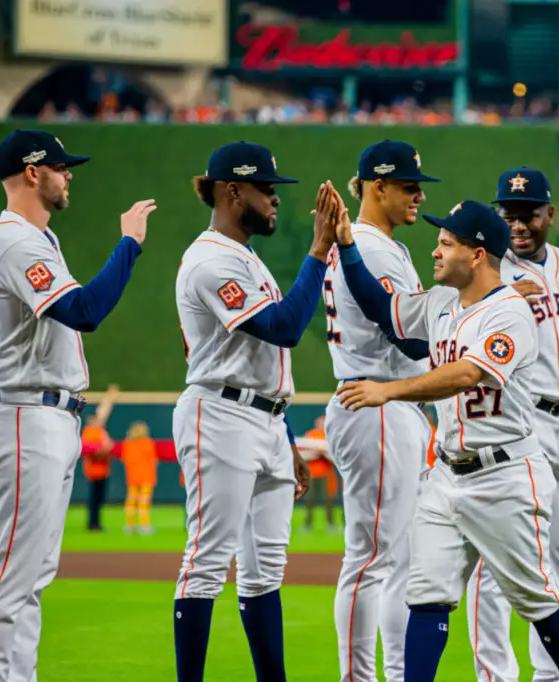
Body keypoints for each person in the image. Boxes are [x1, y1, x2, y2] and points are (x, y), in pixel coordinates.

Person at [333, 192, 559, 682]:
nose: (434, 251)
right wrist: (347, 245)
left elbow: (467, 374)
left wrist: (388, 391)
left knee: (537, 597)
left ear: (476, 255)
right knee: (427, 596)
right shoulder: (440, 303)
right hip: (448, 473)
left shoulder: (510, 313)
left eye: (446, 243)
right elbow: (382, 307)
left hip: (506, 476)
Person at [0, 129, 154, 682]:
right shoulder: (19, 240)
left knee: (30, 578)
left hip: (39, 416)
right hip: (26, 415)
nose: (69, 173)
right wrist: (129, 244)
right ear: (32, 172)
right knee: (10, 577)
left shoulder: (35, 239)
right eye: (60, 166)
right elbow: (85, 310)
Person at [172, 141, 324, 682]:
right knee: (208, 563)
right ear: (232, 191)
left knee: (265, 574)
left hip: (263, 419)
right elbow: (282, 327)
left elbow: (265, 358)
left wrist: (283, 439)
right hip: (219, 413)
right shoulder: (209, 259)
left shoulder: (246, 258)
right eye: (266, 189)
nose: (275, 199)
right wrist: (319, 251)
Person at [465, 167, 559, 682]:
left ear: (549, 216)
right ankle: (495, 675)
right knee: (500, 565)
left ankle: (549, 675)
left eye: (527, 214)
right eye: (508, 214)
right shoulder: (489, 272)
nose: (517, 224)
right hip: (515, 422)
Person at [321, 140, 438, 682]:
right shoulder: (372, 248)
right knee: (372, 559)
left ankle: (392, 673)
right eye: (409, 185)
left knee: (400, 561)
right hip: (375, 400)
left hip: (386, 401)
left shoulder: (375, 245)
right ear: (378, 186)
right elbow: (412, 337)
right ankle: (358, 676)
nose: (418, 195)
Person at [81, 384, 119, 531]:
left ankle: (95, 523)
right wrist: (106, 448)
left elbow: (103, 411)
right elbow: (92, 450)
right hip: (94, 470)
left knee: (99, 498)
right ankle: (93, 524)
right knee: (95, 499)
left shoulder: (98, 431)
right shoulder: (90, 432)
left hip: (103, 469)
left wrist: (109, 397)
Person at [299, 415, 338, 533]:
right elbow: (303, 454)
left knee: (328, 500)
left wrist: (324, 453)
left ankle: (331, 524)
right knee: (310, 500)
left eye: (323, 422)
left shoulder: (330, 436)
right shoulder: (310, 435)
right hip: (312, 474)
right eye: (320, 422)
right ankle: (307, 525)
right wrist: (314, 453)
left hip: (326, 473)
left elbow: (335, 455)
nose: (321, 424)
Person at [121, 420, 157, 534]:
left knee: (131, 501)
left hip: (132, 476)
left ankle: (130, 525)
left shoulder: (127, 444)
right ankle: (144, 525)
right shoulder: (148, 442)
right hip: (146, 476)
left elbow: (125, 460)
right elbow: (153, 460)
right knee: (144, 502)